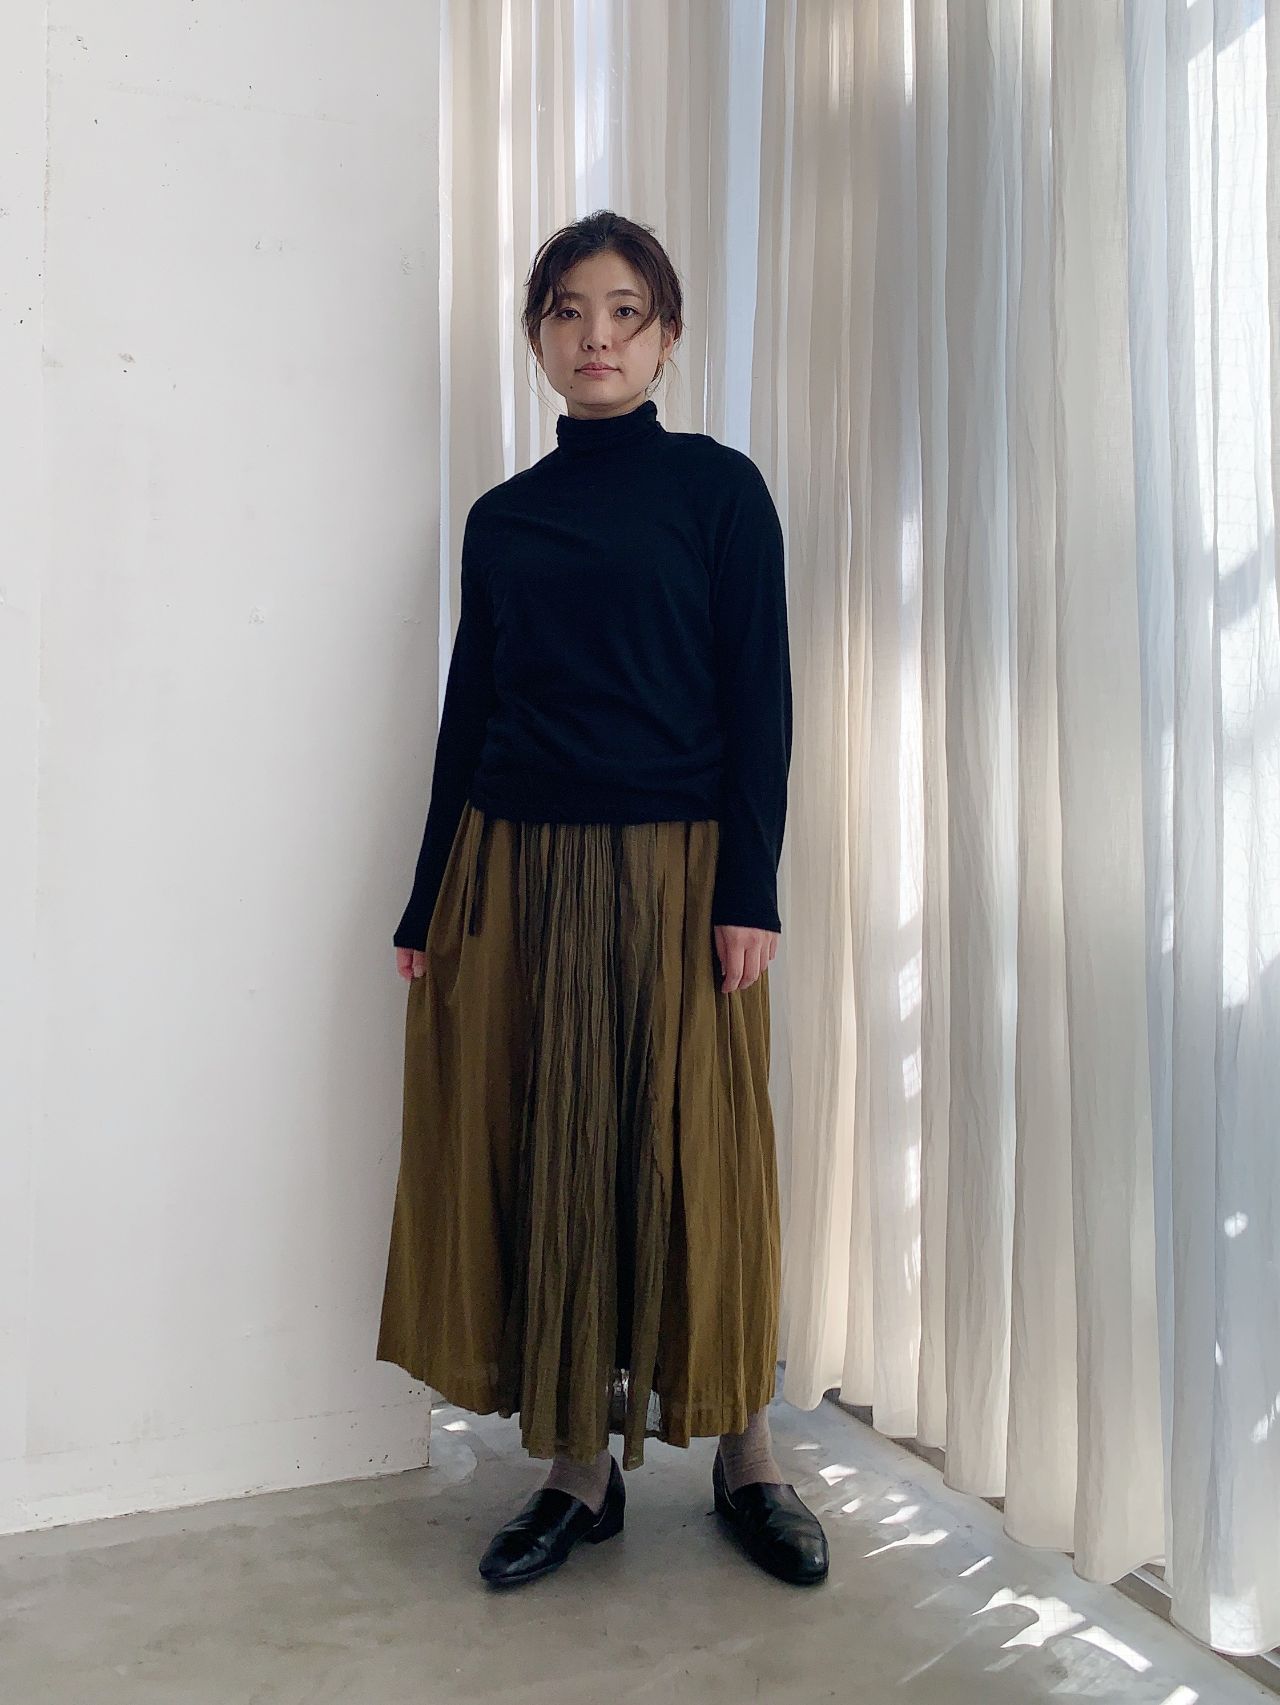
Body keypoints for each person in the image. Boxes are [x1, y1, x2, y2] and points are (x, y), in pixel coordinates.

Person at [376, 210, 828, 1589]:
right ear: (537, 339)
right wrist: (425, 902)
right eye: (569, 311)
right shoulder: (504, 519)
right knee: (558, 1148)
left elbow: (760, 702)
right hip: (517, 866)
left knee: (705, 1152)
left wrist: (749, 887)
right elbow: (470, 715)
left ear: (667, 336)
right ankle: (579, 1469)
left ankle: (749, 1453)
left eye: (626, 311)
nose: (597, 337)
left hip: (682, 870)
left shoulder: (720, 492)